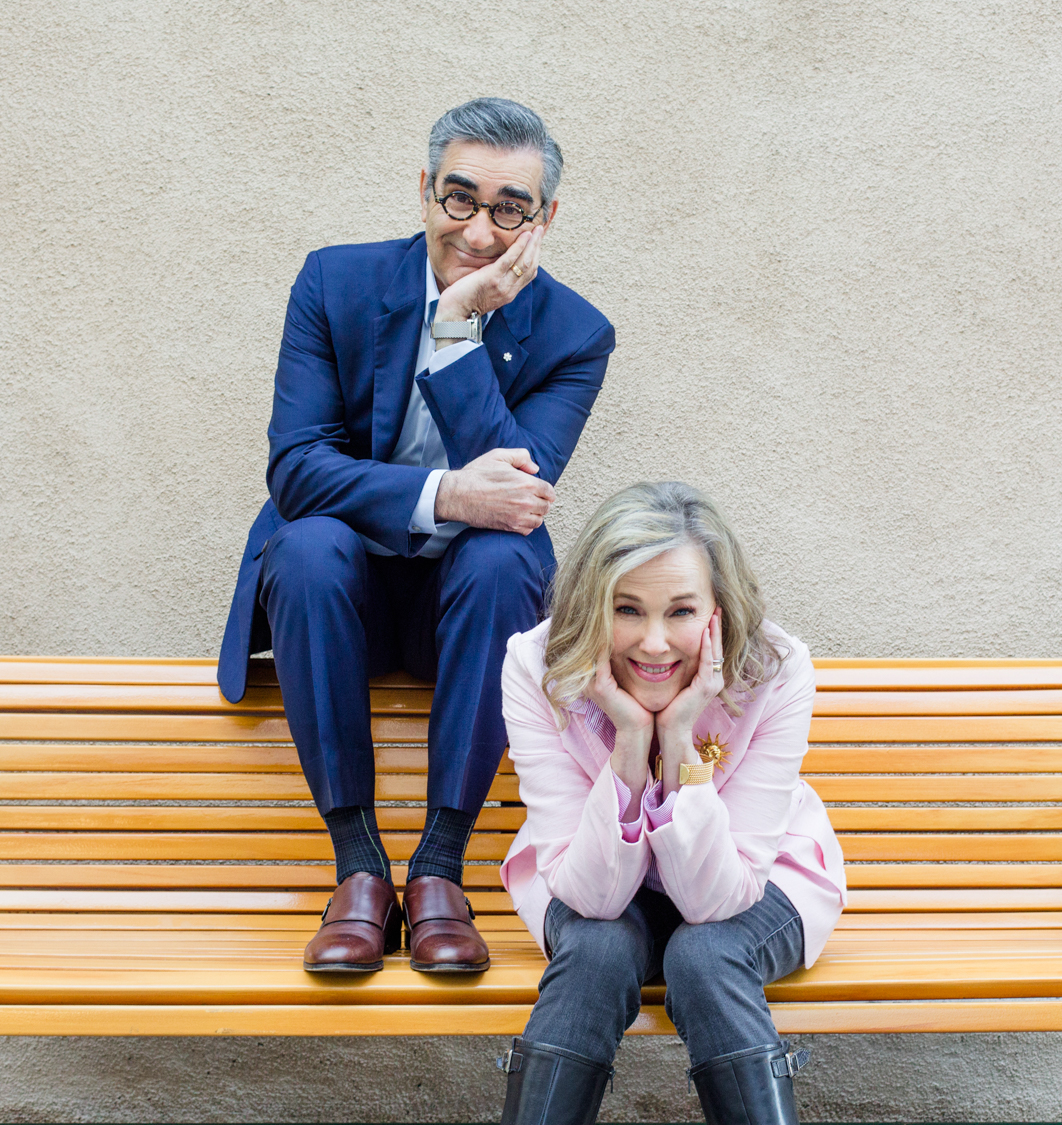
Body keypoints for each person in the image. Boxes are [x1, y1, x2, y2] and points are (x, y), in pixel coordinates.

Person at [217, 98, 615, 974]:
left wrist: (456, 329)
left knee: (507, 553)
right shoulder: (335, 282)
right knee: (310, 542)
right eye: (459, 199)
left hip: (469, 614)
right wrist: (443, 493)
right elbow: (297, 470)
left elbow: (515, 495)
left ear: (544, 218)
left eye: (509, 208)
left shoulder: (576, 334)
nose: (478, 230)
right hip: (335, 604)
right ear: (424, 190)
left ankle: (439, 870)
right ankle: (358, 868)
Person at [496, 482, 847, 1125]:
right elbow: (593, 898)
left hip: (758, 874)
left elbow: (717, 900)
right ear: (590, 602)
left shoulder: (774, 669)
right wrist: (631, 739)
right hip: (585, 871)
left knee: (705, 953)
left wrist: (680, 736)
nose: (654, 644)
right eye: (627, 610)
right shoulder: (537, 667)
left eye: (681, 612)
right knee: (597, 949)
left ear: (718, 608)